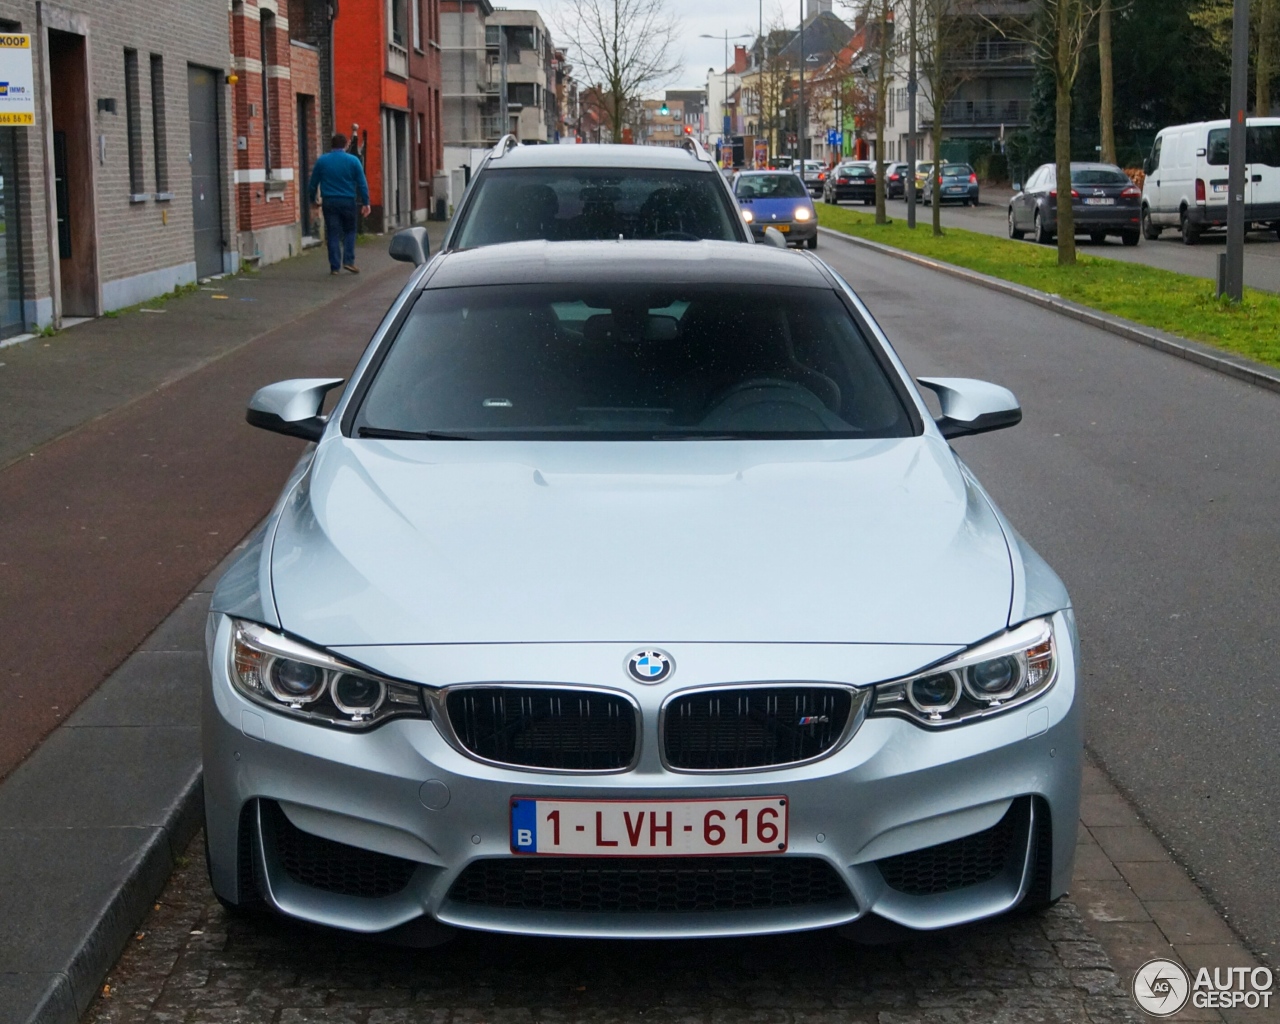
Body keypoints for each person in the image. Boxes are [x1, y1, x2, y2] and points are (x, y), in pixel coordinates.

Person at [307, 133, 371, 275]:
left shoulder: (322, 161)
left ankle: (334, 267)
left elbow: (313, 183)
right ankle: (348, 261)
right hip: (348, 201)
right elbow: (362, 183)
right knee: (350, 231)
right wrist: (366, 202)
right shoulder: (353, 161)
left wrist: (313, 199)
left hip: (329, 201)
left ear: (332, 145)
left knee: (333, 233)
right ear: (346, 145)